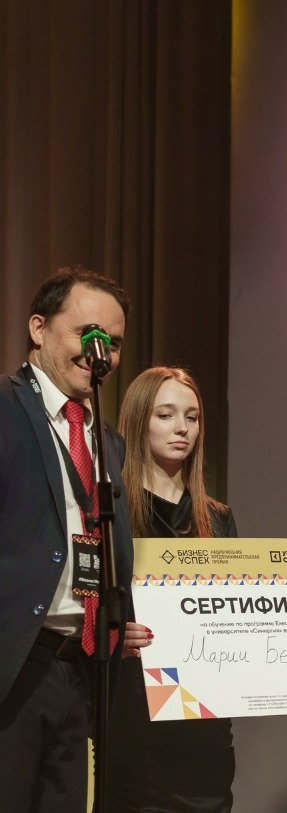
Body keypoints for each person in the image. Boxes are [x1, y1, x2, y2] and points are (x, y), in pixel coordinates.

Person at [0, 266, 149, 811]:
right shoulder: (4, 408)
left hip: (80, 671)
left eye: (112, 342)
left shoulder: (106, 440)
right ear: (38, 328)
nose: (98, 352)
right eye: (86, 334)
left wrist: (116, 617)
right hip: (15, 666)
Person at [105, 366, 237, 812]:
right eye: (166, 415)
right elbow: (81, 609)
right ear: (138, 420)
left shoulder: (218, 519)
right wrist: (111, 635)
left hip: (206, 739)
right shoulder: (109, 513)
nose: (182, 428)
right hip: (135, 731)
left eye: (192, 417)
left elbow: (241, 623)